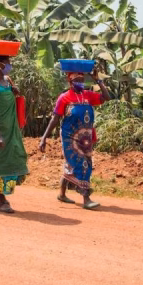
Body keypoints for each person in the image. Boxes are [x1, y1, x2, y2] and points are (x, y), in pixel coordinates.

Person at [39, 65, 110, 210]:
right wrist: (44, 137)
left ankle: (61, 194)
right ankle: (86, 199)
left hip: (86, 137)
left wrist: (98, 81)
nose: (81, 82)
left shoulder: (88, 95)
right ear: (70, 82)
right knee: (80, 164)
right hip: (69, 136)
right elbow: (55, 118)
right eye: (78, 79)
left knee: (74, 164)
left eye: (83, 79)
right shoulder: (64, 97)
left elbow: (106, 98)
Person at [0, 55, 28, 213]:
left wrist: (15, 91)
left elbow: (15, 99)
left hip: (11, 129)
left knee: (14, 158)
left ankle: (0, 196)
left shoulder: (8, 81)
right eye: (7, 63)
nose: (9, 65)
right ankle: (1, 200)